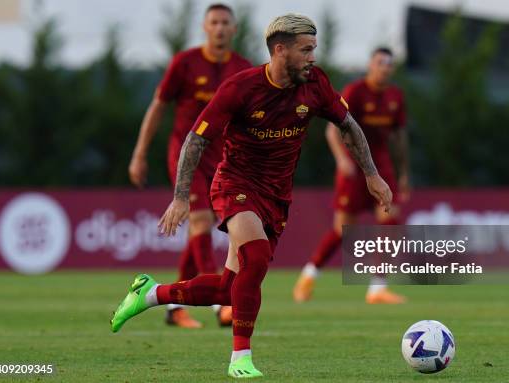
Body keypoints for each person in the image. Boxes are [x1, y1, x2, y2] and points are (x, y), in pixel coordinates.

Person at [111, 13, 392, 378]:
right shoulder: (240, 88)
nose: (312, 57)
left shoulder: (316, 84)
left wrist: (373, 175)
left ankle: (150, 294)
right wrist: (181, 197)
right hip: (234, 185)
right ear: (280, 51)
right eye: (306, 50)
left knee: (230, 289)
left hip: (276, 195)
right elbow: (195, 139)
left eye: (314, 50)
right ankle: (239, 358)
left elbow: (348, 126)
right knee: (255, 257)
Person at [128, 3, 251, 328]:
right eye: (215, 22)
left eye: (226, 22)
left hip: (225, 159)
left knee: (206, 227)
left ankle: (172, 307)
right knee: (199, 221)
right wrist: (139, 153)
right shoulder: (184, 63)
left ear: (234, 29)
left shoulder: (242, 67)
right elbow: (157, 107)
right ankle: (219, 305)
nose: (220, 28)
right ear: (205, 27)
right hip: (187, 155)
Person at [293, 47, 410, 304]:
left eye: (389, 65)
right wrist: (342, 159)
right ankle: (308, 276)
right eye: (381, 63)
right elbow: (332, 131)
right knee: (343, 230)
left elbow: (399, 137)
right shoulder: (355, 92)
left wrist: (403, 172)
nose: (385, 68)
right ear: (370, 65)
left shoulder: (394, 96)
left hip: (381, 164)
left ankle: (377, 288)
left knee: (391, 222)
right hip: (354, 166)